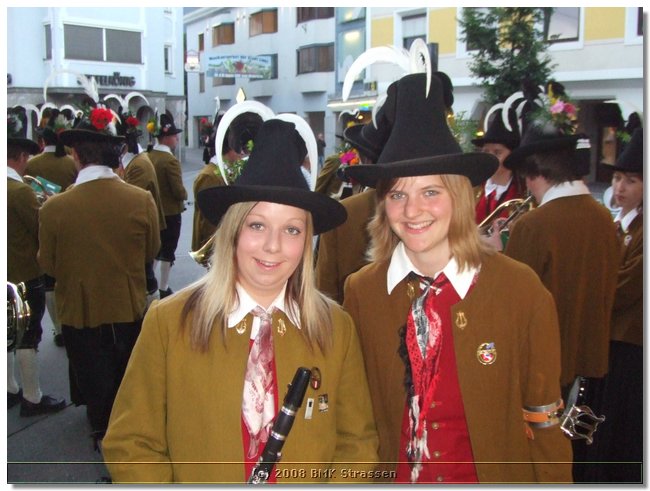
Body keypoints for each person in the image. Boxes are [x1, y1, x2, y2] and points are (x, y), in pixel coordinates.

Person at [103, 117, 379, 483]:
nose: (273, 245)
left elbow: (357, 444)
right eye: (257, 225)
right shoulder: (169, 322)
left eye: (292, 229)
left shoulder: (336, 327)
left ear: (306, 239)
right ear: (233, 230)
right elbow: (131, 442)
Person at [341, 73, 573, 484]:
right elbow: (355, 419)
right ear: (382, 205)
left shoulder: (520, 290)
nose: (412, 210)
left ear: (460, 197)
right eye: (397, 194)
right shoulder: (362, 292)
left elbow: (544, 421)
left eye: (431, 192)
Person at [501, 83, 619, 483]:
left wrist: (493, 252)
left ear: (535, 174)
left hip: (543, 374)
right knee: (582, 459)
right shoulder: (603, 217)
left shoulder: (535, 224)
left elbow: (511, 303)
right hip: (592, 365)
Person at [38, 106, 161, 449]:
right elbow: (151, 251)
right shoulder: (141, 200)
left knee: (93, 380)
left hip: (81, 311)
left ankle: (102, 432)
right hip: (127, 307)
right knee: (126, 377)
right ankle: (128, 435)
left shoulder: (54, 208)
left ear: (76, 156)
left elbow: (48, 265)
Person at [7, 113, 67, 416]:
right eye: (25, 159)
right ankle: (32, 396)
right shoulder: (19, 191)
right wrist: (44, 204)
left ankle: (9, 388)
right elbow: (38, 229)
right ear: (19, 157)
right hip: (23, 273)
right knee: (27, 335)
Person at [595, 127, 643, 483]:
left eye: (632, 180)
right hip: (611, 337)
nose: (621, 187)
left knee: (627, 424)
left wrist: (591, 290)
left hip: (632, 343)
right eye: (616, 178)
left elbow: (625, 287)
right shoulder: (617, 225)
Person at [25, 108, 78, 347]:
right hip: (70, 222)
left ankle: (58, 326)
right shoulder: (70, 163)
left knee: (48, 280)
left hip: (41, 222)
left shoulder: (32, 163)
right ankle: (68, 320)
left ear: (43, 141)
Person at [191, 110, 263, 257]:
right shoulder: (209, 176)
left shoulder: (229, 171)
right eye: (241, 148)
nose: (244, 153)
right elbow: (209, 223)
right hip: (217, 250)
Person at [117, 110, 166, 304]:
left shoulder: (138, 165)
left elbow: (130, 203)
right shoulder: (134, 161)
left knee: (146, 279)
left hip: (140, 230)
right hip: (142, 227)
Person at [147, 113, 187, 298]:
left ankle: (150, 282)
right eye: (174, 135)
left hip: (153, 210)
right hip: (170, 212)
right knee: (168, 250)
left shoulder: (148, 156)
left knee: (156, 248)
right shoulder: (170, 160)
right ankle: (163, 286)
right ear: (166, 138)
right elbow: (178, 191)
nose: (177, 138)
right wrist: (185, 195)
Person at [471, 106, 526, 226]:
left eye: (497, 152)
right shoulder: (472, 190)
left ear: (512, 155)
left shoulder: (523, 193)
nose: (490, 157)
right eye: (486, 151)